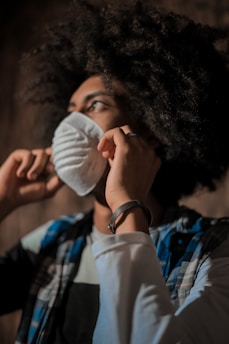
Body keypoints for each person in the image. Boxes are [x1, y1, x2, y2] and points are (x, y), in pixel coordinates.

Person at [1, 0, 229, 343]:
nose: (69, 125)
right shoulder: (54, 243)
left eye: (96, 105)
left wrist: (126, 204)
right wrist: (1, 200)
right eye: (69, 112)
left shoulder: (213, 251)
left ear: (151, 130)